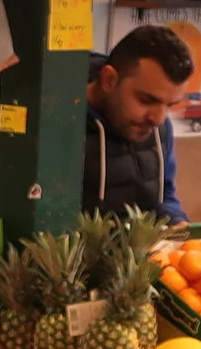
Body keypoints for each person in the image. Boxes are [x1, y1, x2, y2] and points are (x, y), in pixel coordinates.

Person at [82, 24, 192, 222]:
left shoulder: (159, 128)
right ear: (109, 80)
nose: (158, 119)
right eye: (147, 100)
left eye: (170, 105)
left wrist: (176, 224)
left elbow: (164, 196)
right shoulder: (58, 123)